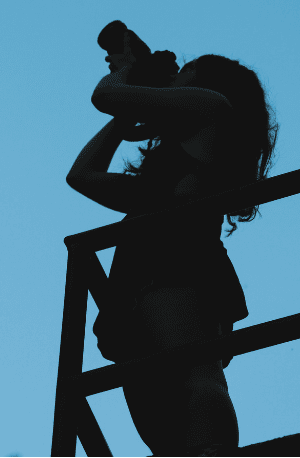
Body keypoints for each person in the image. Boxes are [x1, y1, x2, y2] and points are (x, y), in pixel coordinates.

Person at [67, 46, 279, 456]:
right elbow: (82, 176)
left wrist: (128, 71)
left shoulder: (213, 106)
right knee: (160, 417)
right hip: (138, 280)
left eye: (185, 70)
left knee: (197, 375)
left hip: (178, 266)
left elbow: (104, 96)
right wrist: (130, 106)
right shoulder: (167, 176)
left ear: (203, 79)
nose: (174, 78)